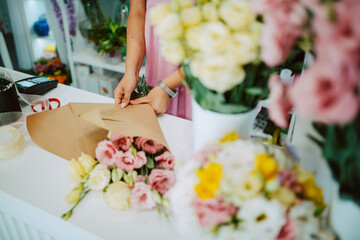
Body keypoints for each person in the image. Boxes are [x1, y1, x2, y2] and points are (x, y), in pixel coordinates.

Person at [113, 0, 191, 120]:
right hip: (159, 69)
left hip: (199, 71)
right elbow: (137, 12)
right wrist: (131, 72)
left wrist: (167, 87)